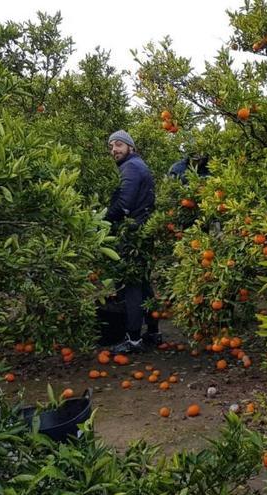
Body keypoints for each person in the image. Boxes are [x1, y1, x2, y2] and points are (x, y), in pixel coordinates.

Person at [105, 130, 160, 352]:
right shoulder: (138, 165)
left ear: (130, 147)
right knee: (144, 283)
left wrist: (101, 219)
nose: (114, 150)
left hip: (133, 233)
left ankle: (134, 338)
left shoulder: (131, 167)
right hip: (143, 232)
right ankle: (154, 332)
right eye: (111, 146)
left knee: (132, 286)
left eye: (118, 145)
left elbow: (124, 204)